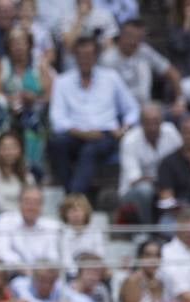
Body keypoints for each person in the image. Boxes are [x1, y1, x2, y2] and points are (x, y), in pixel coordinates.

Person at [48, 36, 138, 197]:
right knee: (56, 143)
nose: (85, 60)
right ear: (74, 57)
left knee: (90, 150)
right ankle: (73, 198)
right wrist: (82, 133)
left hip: (105, 134)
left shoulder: (111, 78)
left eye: (89, 55)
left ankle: (73, 197)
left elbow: (132, 109)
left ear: (96, 56)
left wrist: (124, 128)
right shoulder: (62, 81)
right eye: (81, 55)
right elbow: (57, 120)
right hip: (75, 134)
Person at [118, 103, 182, 226]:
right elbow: (135, 180)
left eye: (156, 122)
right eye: (148, 122)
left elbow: (181, 158)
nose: (152, 127)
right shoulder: (129, 140)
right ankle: (147, 230)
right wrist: (164, 182)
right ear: (141, 123)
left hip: (164, 187)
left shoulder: (171, 132)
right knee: (145, 190)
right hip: (132, 192)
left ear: (162, 121)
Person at [0, 185, 61, 273]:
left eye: (36, 202)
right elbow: (1, 252)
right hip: (13, 274)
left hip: (45, 276)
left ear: (42, 206)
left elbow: (53, 255)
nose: (31, 207)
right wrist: (23, 268)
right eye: (27, 202)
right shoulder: (5, 221)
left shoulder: (52, 226)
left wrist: (40, 272)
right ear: (19, 203)